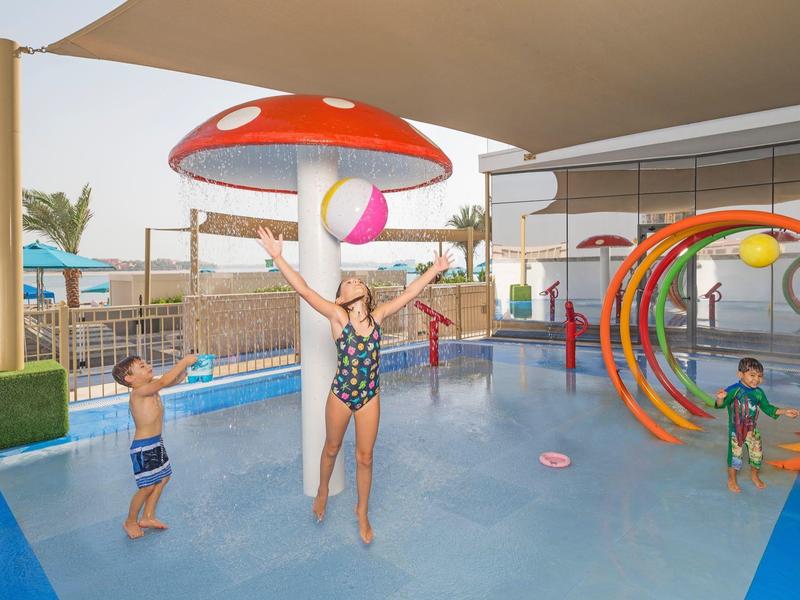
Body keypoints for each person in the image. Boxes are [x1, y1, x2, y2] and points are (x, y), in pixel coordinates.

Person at [257, 226, 452, 544]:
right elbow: (305, 290)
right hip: (342, 394)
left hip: (369, 396)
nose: (355, 281)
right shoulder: (338, 316)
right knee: (332, 448)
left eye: (358, 280)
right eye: (348, 282)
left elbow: (409, 294)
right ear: (341, 299)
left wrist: (435, 269)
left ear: (367, 294)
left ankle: (362, 510)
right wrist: (278, 258)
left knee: (365, 457)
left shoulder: (378, 316)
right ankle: (322, 490)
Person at [112, 354, 197, 539]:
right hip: (144, 448)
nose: (148, 366)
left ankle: (148, 516)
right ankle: (130, 521)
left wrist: (185, 374)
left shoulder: (149, 386)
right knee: (147, 487)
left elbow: (169, 382)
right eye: (142, 366)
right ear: (129, 378)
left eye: (146, 363)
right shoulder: (139, 392)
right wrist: (183, 362)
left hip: (156, 443)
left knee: (164, 478)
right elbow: (164, 381)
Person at [715, 357, 798, 493]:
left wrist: (784, 411)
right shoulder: (734, 390)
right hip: (736, 432)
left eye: (760, 376)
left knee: (757, 456)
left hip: (752, 431)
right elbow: (720, 405)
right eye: (752, 375)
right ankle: (732, 479)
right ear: (740, 374)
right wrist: (720, 398)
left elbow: (768, 408)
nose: (756, 379)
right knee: (735, 457)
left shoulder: (758, 393)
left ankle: (754, 476)